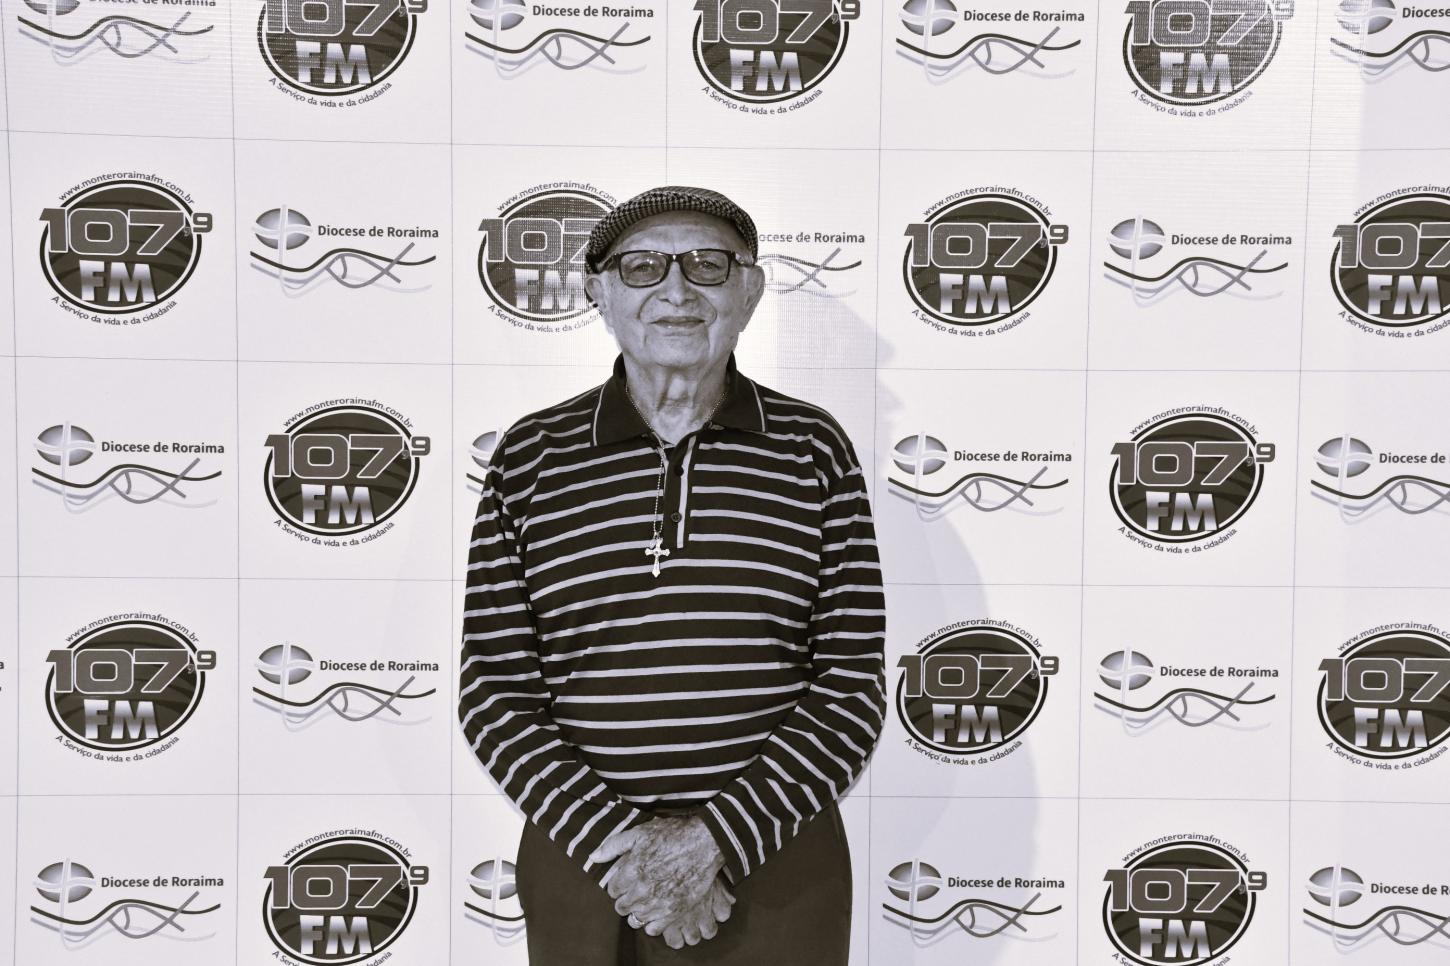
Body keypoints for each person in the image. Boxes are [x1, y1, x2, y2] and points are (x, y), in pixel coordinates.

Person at [458, 185, 886, 964]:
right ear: (598, 293)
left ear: (750, 291)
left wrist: (716, 839)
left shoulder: (813, 450)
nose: (677, 290)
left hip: (777, 865)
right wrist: (625, 848)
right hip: (590, 867)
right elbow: (493, 692)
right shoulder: (530, 458)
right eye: (643, 267)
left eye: (708, 265)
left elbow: (851, 683)